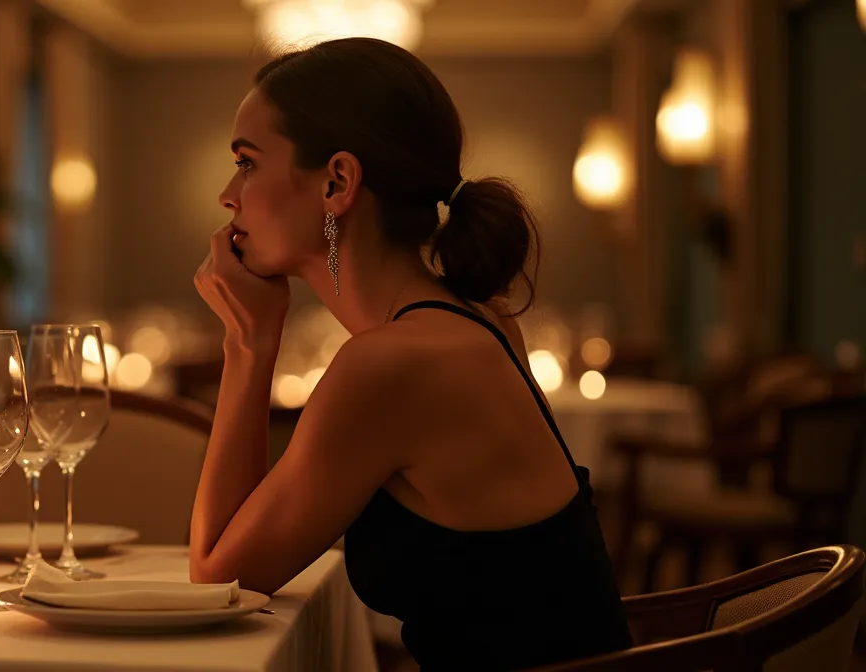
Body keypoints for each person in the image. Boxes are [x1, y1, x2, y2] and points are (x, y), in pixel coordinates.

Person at [190, 38, 633, 670]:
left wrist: (248, 343)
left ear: (337, 182)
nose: (228, 194)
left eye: (247, 163)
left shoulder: (391, 364)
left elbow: (219, 579)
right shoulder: (480, 319)